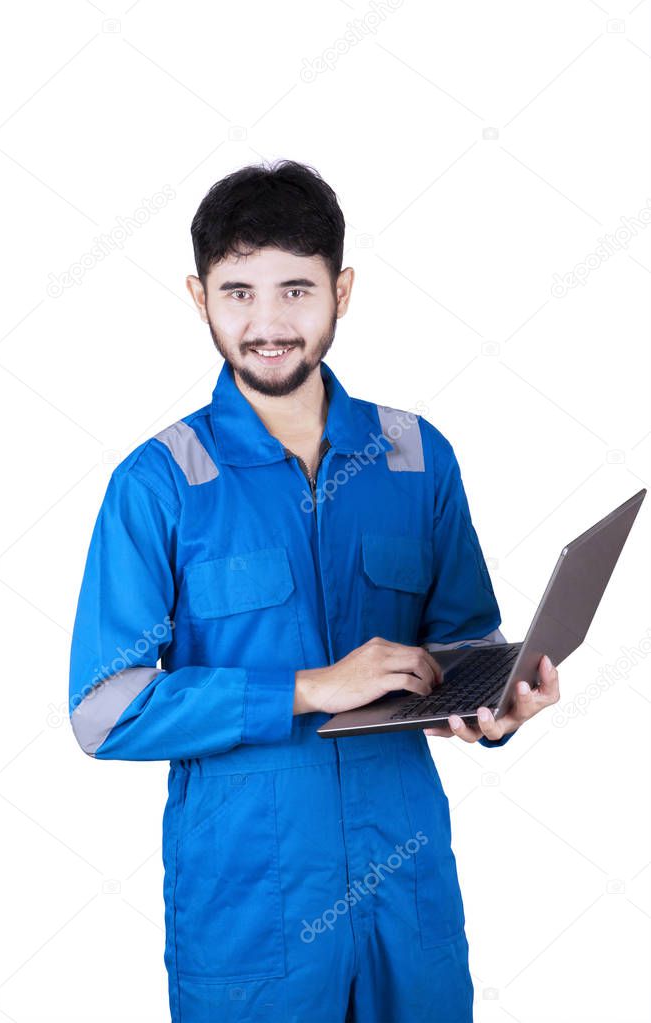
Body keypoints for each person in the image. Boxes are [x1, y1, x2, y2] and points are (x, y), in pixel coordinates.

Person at [68, 159, 560, 1023]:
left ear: (344, 289)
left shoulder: (416, 454)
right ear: (198, 295)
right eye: (239, 292)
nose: (268, 323)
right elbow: (103, 709)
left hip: (407, 897)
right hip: (251, 917)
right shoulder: (160, 482)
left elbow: (461, 651)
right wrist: (307, 688)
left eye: (297, 290)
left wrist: (496, 706)